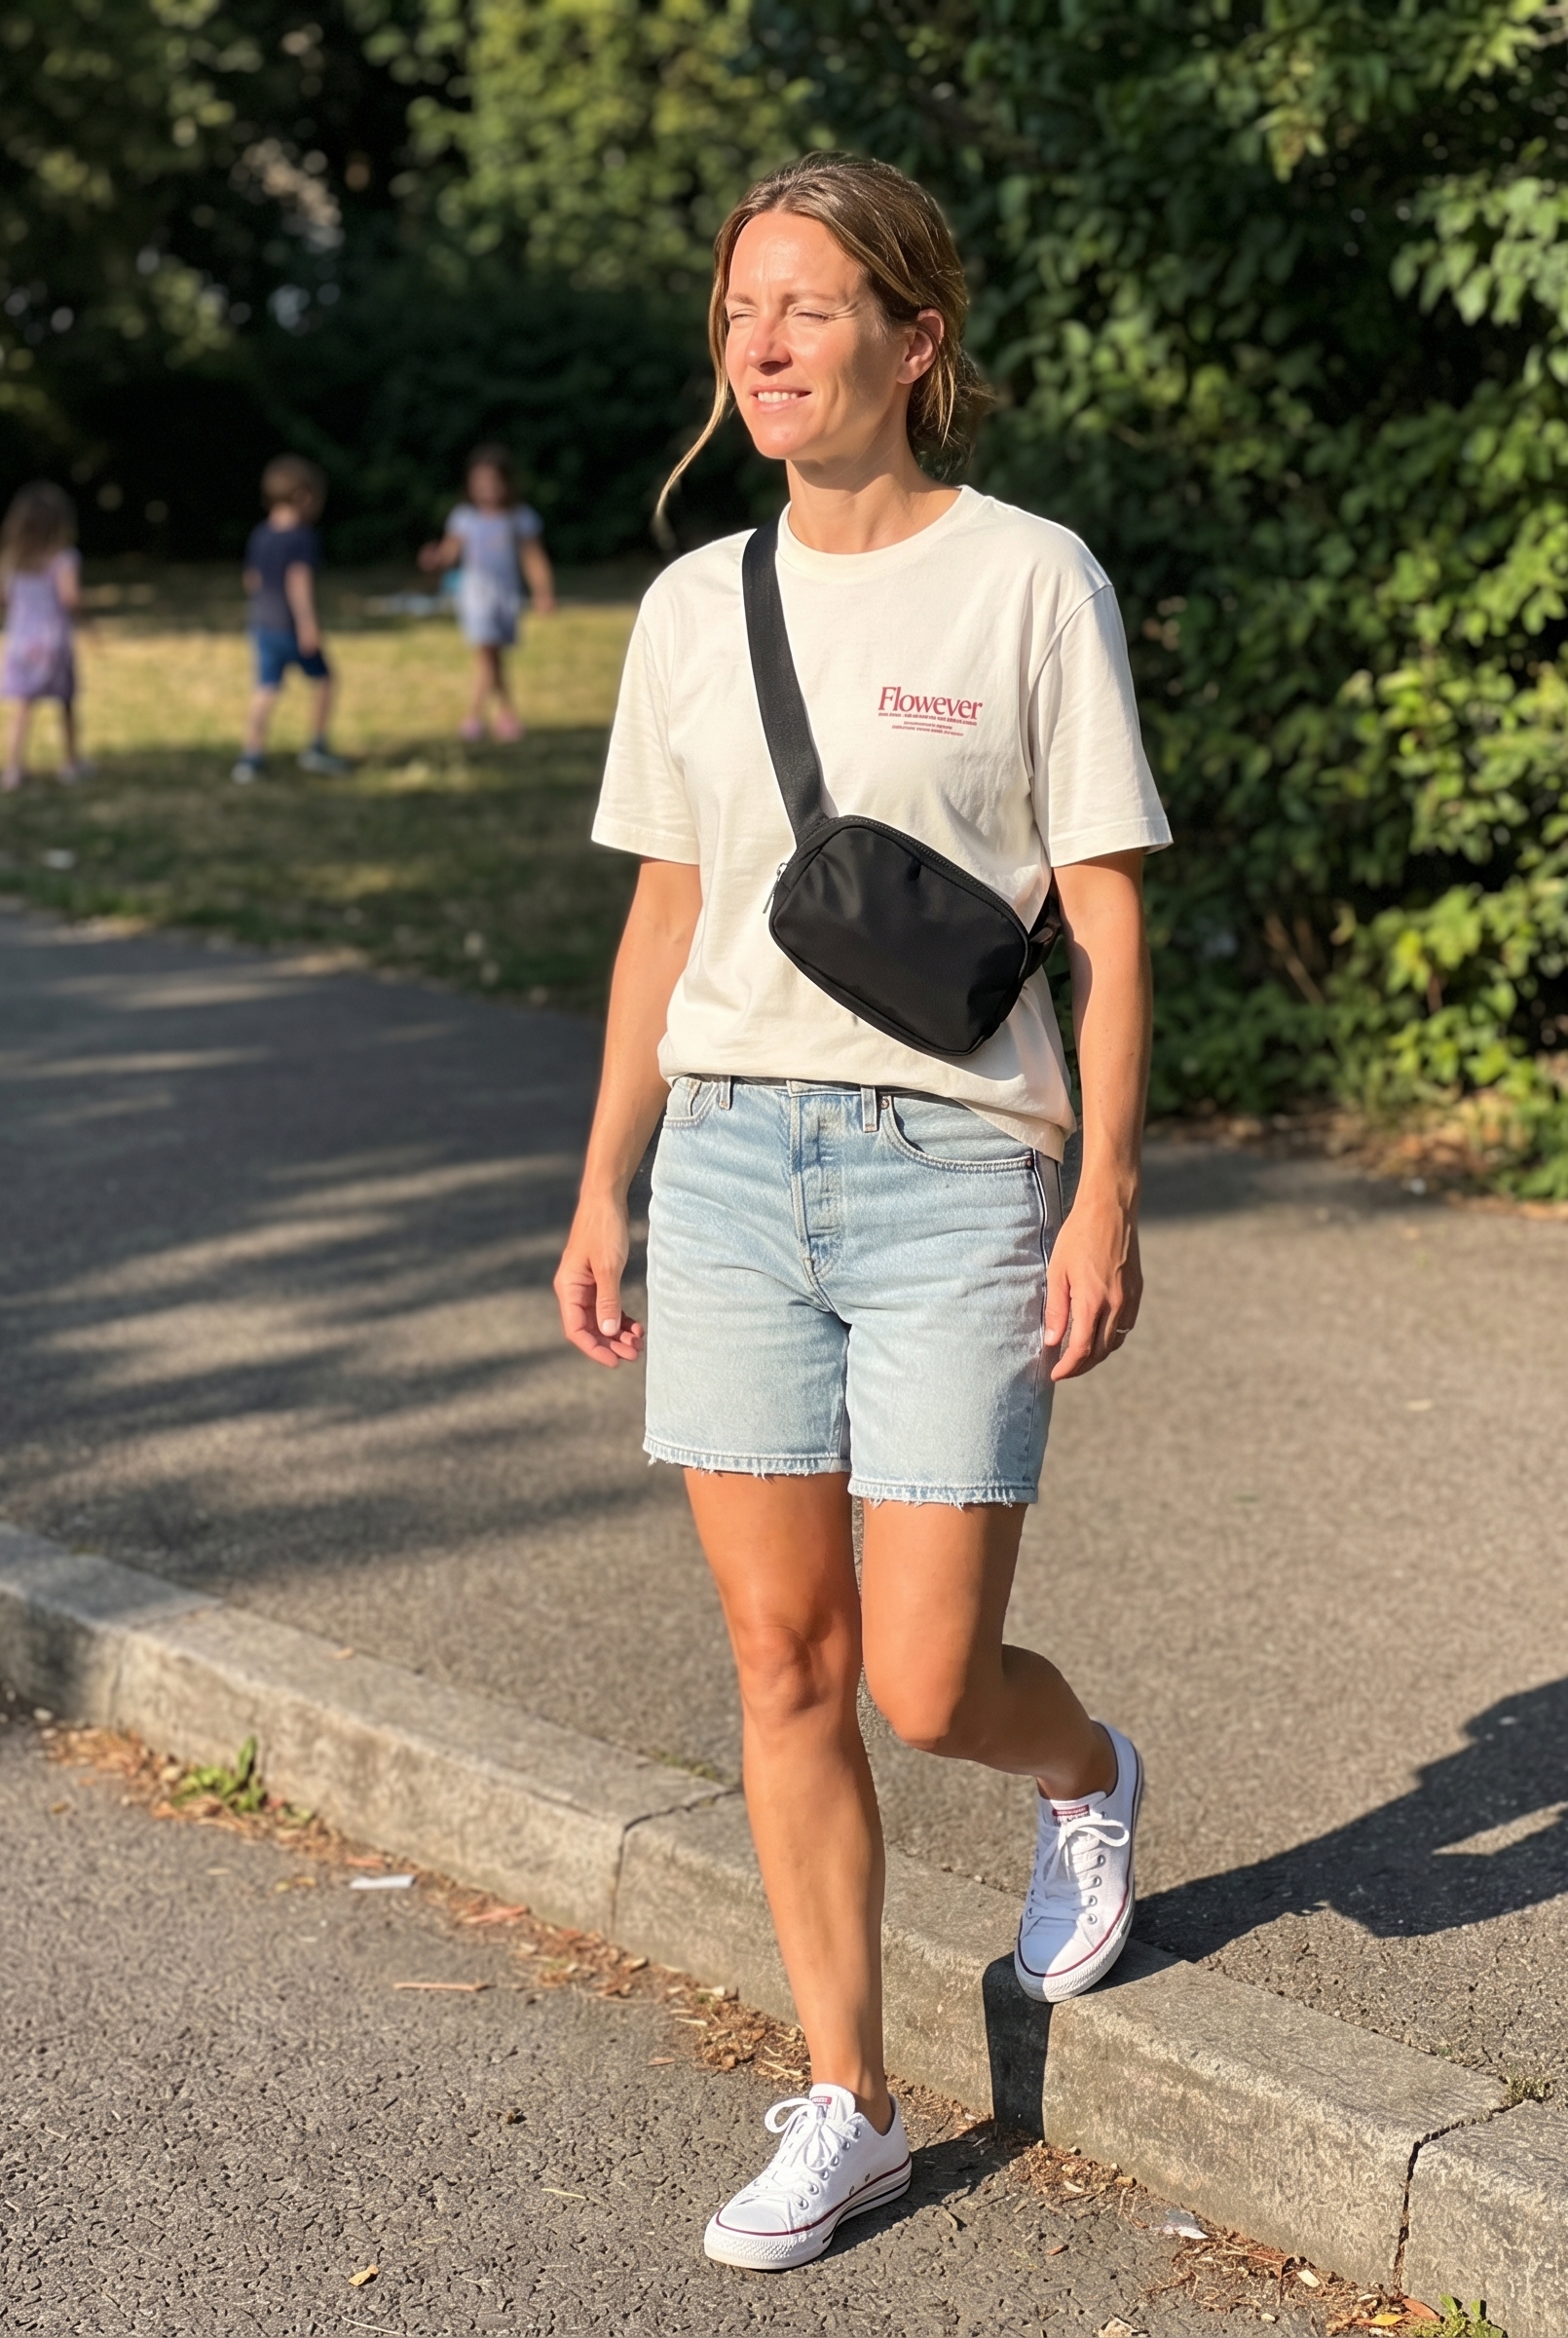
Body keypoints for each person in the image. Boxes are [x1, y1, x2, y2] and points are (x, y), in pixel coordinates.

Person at [555, 152, 1172, 2273]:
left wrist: (1100, 1188)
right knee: (778, 1658)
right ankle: (847, 2097)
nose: (762, 342)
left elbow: (1096, 907)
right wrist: (606, 1176)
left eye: (808, 307)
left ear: (914, 339)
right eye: (741, 309)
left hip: (951, 1185)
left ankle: (1081, 1765)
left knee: (922, 1679)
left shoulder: (1026, 579)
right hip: (728, 1159)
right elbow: (667, 907)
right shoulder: (685, 606)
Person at [417, 445, 555, 742]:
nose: (487, 489)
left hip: (504, 598)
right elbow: (449, 552)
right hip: (474, 597)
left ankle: (499, 714)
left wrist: (543, 592)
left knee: (493, 656)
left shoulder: (519, 518)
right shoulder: (464, 518)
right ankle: (480, 716)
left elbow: (533, 559)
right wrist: (435, 559)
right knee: (486, 653)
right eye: (480, 482)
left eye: (494, 481)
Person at [234, 454, 350, 784]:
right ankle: (316, 746)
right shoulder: (302, 538)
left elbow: (251, 581)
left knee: (265, 688)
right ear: (303, 496)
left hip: (262, 626)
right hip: (291, 627)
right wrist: (308, 625)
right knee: (325, 680)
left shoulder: (260, 534)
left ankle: (250, 756)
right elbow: (298, 583)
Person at [0, 481, 87, 793]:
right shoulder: (63, 558)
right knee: (66, 702)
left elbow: (0, 596)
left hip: (19, 642)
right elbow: (69, 597)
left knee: (21, 706)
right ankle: (71, 763)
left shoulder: (12, 558)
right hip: (53, 641)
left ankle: (12, 769)